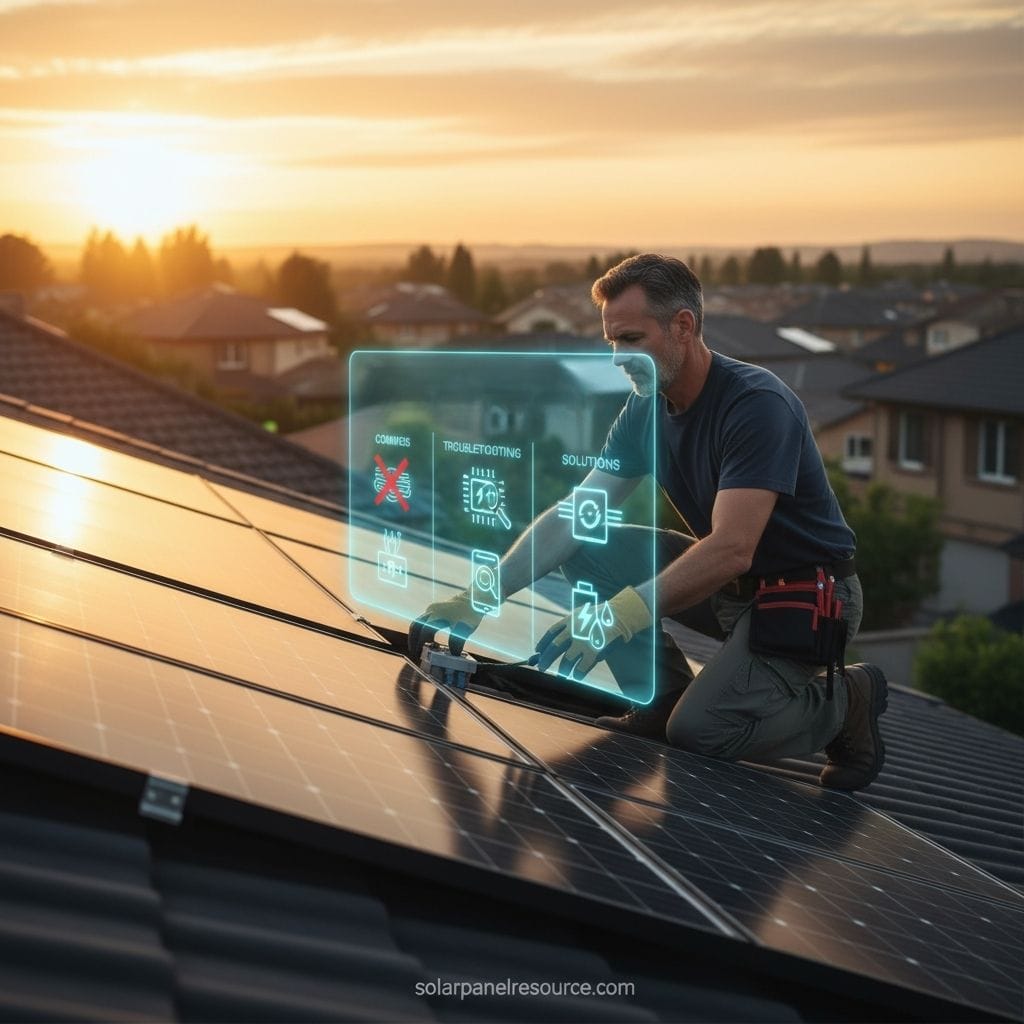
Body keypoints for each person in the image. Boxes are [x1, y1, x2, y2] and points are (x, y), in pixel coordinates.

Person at [409, 254, 887, 791]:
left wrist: (618, 617)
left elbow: (733, 547)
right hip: (731, 587)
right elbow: (574, 517)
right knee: (587, 548)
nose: (618, 358)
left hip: (809, 595)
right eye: (613, 341)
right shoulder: (645, 409)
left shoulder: (756, 405)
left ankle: (847, 702)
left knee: (701, 733)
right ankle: (658, 700)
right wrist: (480, 596)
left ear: (683, 327)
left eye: (632, 339)